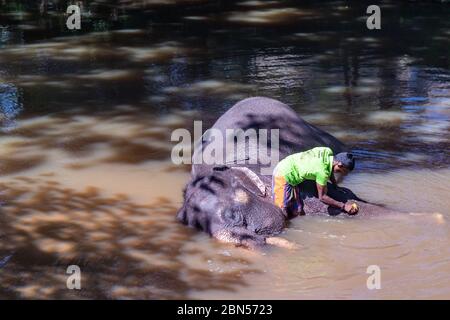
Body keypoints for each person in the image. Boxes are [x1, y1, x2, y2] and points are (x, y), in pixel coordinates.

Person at [272, 146, 358, 217]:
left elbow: (330, 169)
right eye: (344, 171)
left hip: (291, 162)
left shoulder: (328, 151)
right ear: (339, 165)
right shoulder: (322, 172)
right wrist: (343, 206)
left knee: (297, 211)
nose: (344, 174)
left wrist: (335, 185)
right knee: (282, 211)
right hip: (283, 172)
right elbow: (322, 197)